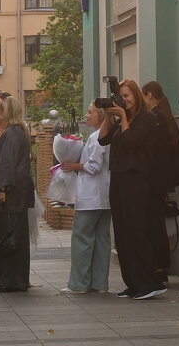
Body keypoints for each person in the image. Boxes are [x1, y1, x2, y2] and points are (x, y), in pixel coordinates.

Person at [98, 79, 165, 300]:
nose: (124, 100)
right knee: (123, 232)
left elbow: (130, 142)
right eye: (121, 96)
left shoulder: (147, 119)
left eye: (127, 96)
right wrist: (109, 115)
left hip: (136, 180)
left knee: (137, 231)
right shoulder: (121, 120)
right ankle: (133, 284)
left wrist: (123, 117)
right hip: (119, 179)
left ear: (136, 95)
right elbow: (103, 140)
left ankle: (149, 282)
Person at [141, 80, 179, 288]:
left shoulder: (157, 118)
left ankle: (159, 269)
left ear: (149, 96)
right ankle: (160, 269)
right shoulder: (162, 116)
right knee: (157, 225)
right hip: (159, 181)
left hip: (155, 181)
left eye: (142, 96)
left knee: (154, 226)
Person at [59, 101, 112, 294]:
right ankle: (99, 283)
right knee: (101, 241)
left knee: (82, 239)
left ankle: (79, 283)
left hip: (90, 197)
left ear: (101, 115)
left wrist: (75, 166)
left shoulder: (98, 136)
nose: (86, 116)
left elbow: (93, 165)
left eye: (90, 112)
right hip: (105, 197)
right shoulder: (106, 135)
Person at [0, 93, 34, 292]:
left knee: (7, 237)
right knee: (15, 236)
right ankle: (15, 279)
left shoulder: (11, 134)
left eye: (0, 108)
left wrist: (1, 189)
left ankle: (9, 279)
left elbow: (6, 163)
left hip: (10, 196)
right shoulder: (17, 132)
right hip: (17, 194)